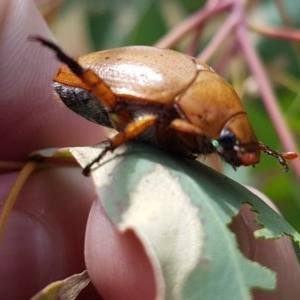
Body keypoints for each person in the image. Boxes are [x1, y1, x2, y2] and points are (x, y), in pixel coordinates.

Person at [0, 0, 299, 299]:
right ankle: (65, 59)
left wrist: (254, 146)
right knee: (143, 118)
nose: (235, 156)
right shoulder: (182, 108)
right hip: (95, 86)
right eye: (230, 143)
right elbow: (157, 124)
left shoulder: (206, 110)